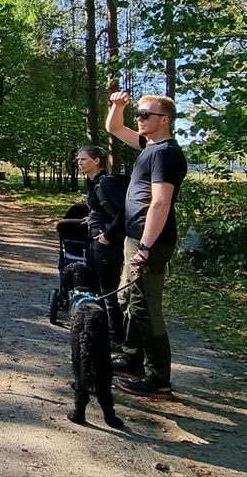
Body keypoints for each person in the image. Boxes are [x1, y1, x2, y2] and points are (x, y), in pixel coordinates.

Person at [105, 92, 187, 399]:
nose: (138, 119)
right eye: (138, 113)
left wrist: (146, 248)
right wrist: (118, 106)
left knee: (146, 308)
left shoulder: (165, 153)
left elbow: (161, 202)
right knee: (129, 301)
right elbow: (114, 128)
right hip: (136, 238)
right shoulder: (149, 147)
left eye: (144, 115)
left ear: (163, 120)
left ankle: (158, 379)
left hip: (149, 241)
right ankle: (131, 360)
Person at [75, 144, 126, 347]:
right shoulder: (93, 183)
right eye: (79, 159)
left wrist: (109, 234)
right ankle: (103, 328)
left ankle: (116, 336)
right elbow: (103, 209)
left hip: (107, 244)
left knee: (108, 290)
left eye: (84, 159)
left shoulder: (106, 183)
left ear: (97, 161)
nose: (80, 162)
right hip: (96, 240)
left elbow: (124, 211)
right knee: (97, 286)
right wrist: (91, 219)